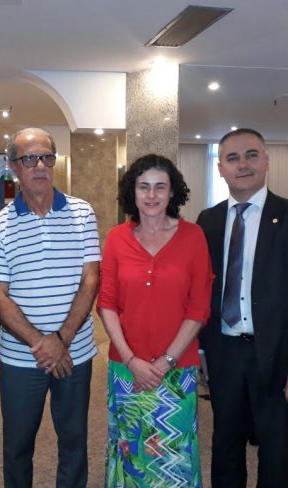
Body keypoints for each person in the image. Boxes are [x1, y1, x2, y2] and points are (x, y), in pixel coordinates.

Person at [196, 128, 288, 488]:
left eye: (251, 155)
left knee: (276, 451)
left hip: (277, 358)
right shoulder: (208, 220)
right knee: (225, 445)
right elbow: (201, 291)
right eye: (232, 158)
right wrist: (201, 351)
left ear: (267, 161)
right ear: (221, 169)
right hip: (224, 355)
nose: (243, 164)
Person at [0, 127, 100, 488]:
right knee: (17, 446)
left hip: (75, 353)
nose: (40, 165)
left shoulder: (82, 213)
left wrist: (61, 340)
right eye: (29, 158)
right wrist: (43, 344)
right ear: (13, 166)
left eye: (47, 157)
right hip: (22, 359)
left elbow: (91, 280)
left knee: (74, 442)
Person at [98, 154, 214, 487]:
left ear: (172, 192)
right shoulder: (117, 238)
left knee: (173, 456)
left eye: (160, 187)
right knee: (131, 451)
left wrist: (165, 362)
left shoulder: (193, 236)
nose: (151, 195)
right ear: (132, 192)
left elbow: (198, 309)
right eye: (143, 186)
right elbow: (106, 304)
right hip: (127, 370)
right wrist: (131, 360)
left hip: (177, 371)